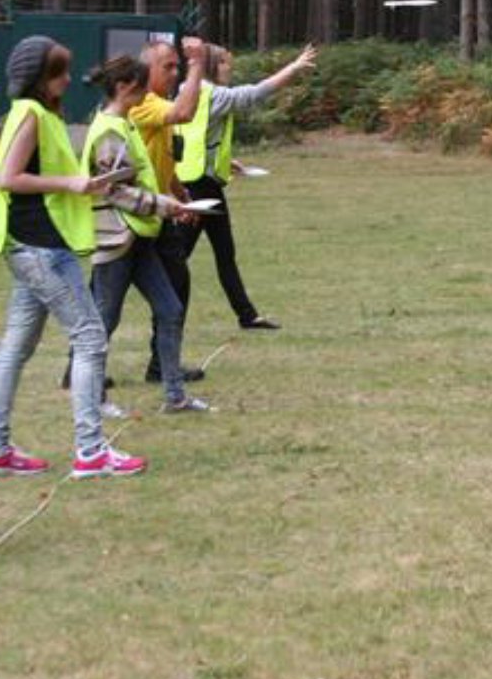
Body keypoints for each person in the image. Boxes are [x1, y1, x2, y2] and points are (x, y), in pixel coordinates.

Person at [0, 37, 148, 481]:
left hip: (32, 247)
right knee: (91, 339)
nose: (68, 80)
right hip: (41, 249)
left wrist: (82, 182)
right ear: (38, 78)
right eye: (59, 73)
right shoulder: (31, 115)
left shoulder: (38, 115)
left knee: (16, 347)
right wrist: (71, 184)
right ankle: (90, 453)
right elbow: (9, 178)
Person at [79, 55, 210, 414]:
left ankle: (175, 396)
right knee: (104, 321)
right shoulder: (109, 129)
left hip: (140, 238)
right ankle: (93, 399)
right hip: (117, 241)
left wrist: (167, 200)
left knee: (169, 310)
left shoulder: (125, 123)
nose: (145, 97)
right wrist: (163, 205)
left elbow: (136, 181)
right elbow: (114, 191)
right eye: (141, 89)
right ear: (124, 88)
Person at [176, 43, 317, 331]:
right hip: (199, 187)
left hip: (201, 181)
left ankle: (247, 315)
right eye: (227, 63)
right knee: (176, 257)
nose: (231, 68)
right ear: (214, 65)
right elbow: (256, 93)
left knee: (223, 252)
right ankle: (168, 311)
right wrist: (294, 67)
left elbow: (195, 137)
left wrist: (225, 161)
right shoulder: (214, 95)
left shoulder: (187, 90)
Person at [128, 37, 208, 384]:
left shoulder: (159, 103)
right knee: (107, 299)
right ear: (147, 70)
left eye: (178, 66)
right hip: (133, 216)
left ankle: (161, 366)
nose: (175, 73)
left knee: (177, 286)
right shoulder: (143, 104)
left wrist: (182, 196)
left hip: (161, 214)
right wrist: (197, 65)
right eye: (168, 67)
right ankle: (79, 369)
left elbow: (164, 160)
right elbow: (185, 112)